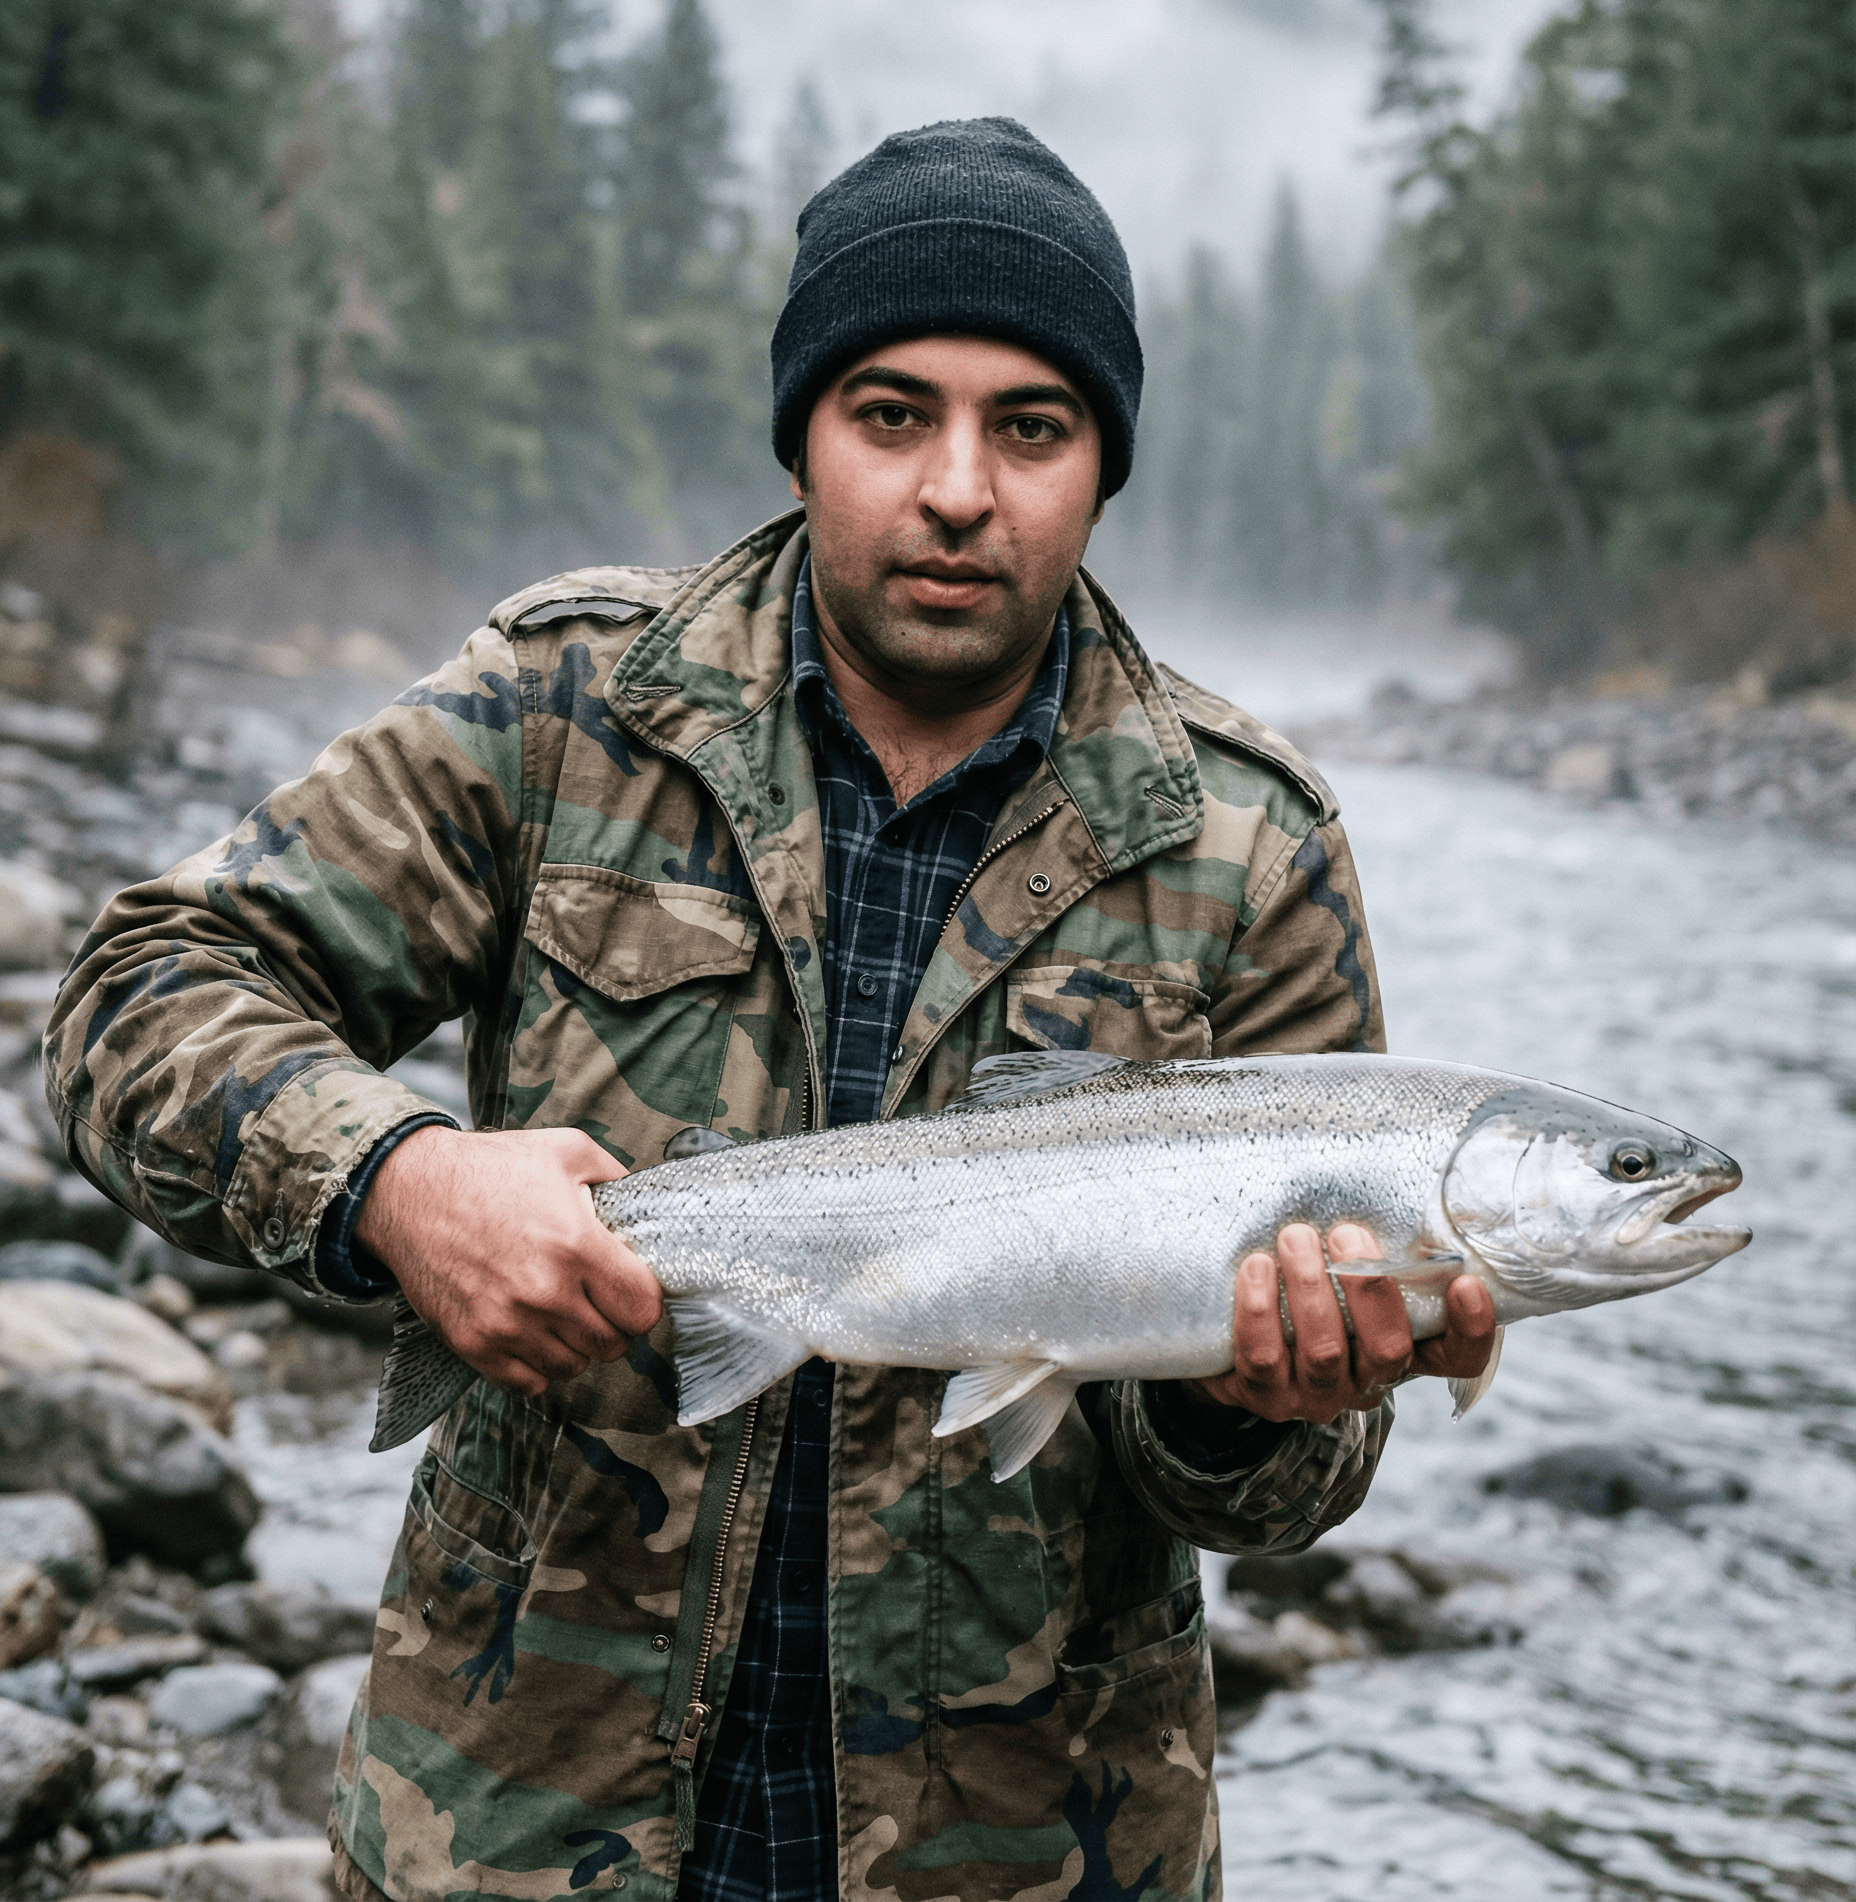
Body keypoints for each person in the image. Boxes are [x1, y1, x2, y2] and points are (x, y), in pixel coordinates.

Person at [47, 117, 1493, 1902]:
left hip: (1028, 1852)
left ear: (1102, 468)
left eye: (1029, 427)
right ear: (806, 433)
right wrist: (398, 1183)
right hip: (510, 1825)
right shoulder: (562, 710)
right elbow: (138, 991)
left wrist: (1257, 1408)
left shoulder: (1246, 840)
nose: (958, 487)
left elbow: (1280, 1493)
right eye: (894, 415)